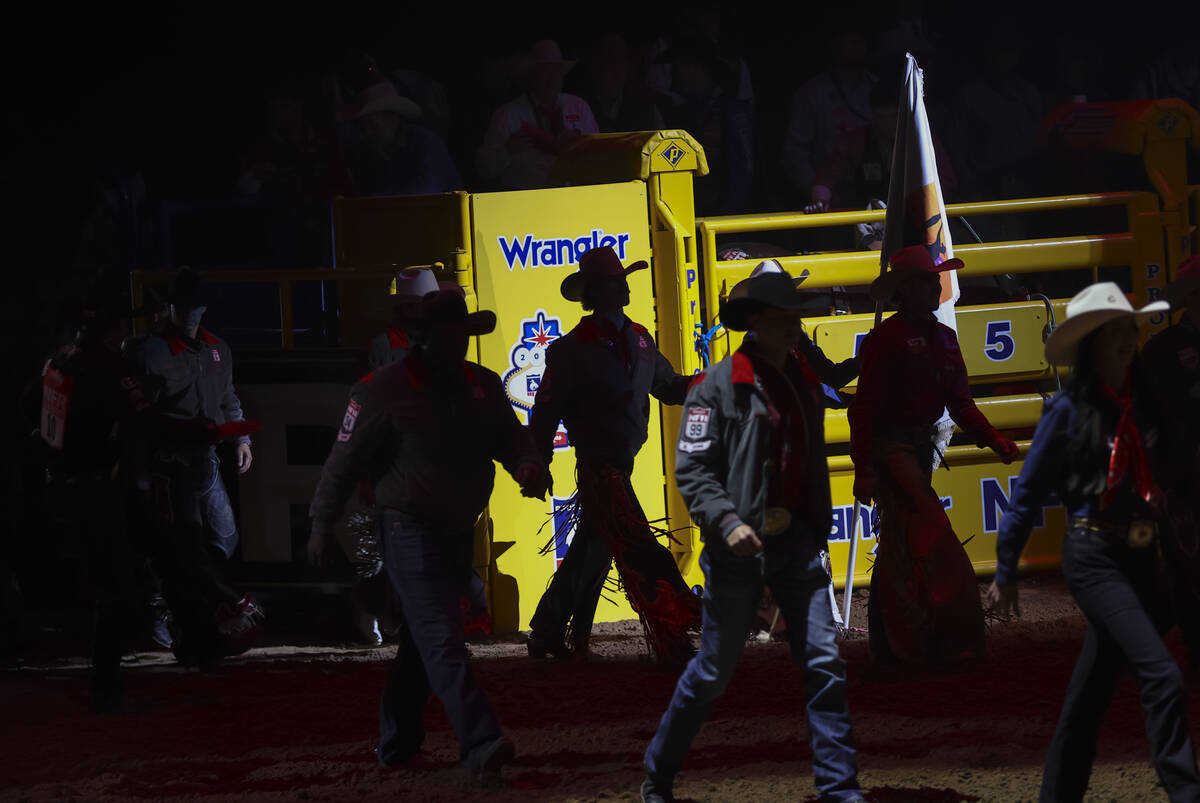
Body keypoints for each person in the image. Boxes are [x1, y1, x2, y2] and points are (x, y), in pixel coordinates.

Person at [307, 289, 550, 781]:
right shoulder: (383, 389)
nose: (458, 342)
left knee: (424, 639)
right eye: (450, 333)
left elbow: (511, 437)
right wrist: (320, 524)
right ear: (424, 338)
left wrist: (527, 464)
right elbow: (342, 462)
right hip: (409, 527)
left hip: (454, 528)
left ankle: (398, 742)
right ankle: (480, 741)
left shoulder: (479, 385)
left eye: (462, 333)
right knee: (441, 636)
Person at [641, 270, 863, 803]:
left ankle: (839, 788)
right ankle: (659, 772)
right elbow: (692, 471)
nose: (796, 324)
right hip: (739, 548)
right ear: (758, 323)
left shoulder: (802, 379)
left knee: (823, 661)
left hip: (794, 543)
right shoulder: (717, 386)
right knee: (714, 671)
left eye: (796, 315)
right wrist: (728, 522)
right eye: (786, 316)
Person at [988, 282, 1200, 802]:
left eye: (1130, 328)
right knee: (1162, 675)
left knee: (1089, 697)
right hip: (1094, 557)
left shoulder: (1142, 401)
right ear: (1093, 344)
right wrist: (1007, 568)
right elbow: (1029, 492)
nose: (1129, 339)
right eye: (1115, 332)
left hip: (1140, 557)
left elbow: (1172, 469)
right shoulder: (1068, 412)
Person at [29, 288, 253, 709]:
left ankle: (196, 643)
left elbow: (35, 416)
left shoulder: (59, 361)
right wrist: (204, 433)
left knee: (162, 557)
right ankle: (110, 686)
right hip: (101, 487)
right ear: (109, 328)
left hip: (77, 485)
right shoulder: (108, 366)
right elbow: (146, 420)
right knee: (125, 580)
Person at [527, 245, 699, 664]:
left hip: (619, 463)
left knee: (598, 544)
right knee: (637, 543)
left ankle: (551, 626)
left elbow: (671, 387)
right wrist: (538, 462)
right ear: (596, 292)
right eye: (615, 281)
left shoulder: (639, 339)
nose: (623, 286)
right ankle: (672, 630)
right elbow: (546, 411)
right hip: (599, 465)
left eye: (622, 280)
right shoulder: (571, 349)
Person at [848, 245, 1017, 665]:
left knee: (901, 547)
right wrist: (866, 468)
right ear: (906, 290)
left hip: (915, 447)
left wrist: (993, 437)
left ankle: (899, 648)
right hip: (894, 449)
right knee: (931, 536)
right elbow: (865, 409)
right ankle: (949, 637)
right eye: (926, 280)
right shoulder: (886, 341)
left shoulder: (941, 339)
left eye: (934, 279)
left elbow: (960, 402)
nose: (934, 286)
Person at [125, 270, 264, 662]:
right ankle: (172, 612)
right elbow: (140, 415)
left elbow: (227, 397)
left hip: (204, 459)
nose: (189, 313)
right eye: (182, 307)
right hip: (168, 461)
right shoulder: (150, 351)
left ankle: (199, 612)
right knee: (181, 543)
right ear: (170, 308)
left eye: (194, 307)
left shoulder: (217, 350)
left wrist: (241, 438)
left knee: (223, 537)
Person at [1136, 255, 1200, 673]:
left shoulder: (1161, 350)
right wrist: (1157, 478)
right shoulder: (1162, 352)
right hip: (1183, 473)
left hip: (1182, 469)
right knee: (1186, 563)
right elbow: (1146, 419)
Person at [476, 40, 599, 190]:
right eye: (544, 71)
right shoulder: (508, 115)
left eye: (556, 71)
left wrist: (580, 143)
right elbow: (484, 168)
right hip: (526, 203)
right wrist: (507, 150)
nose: (551, 77)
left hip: (574, 198)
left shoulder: (579, 107)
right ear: (531, 76)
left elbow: (599, 155)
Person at [348, 81, 462, 196]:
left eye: (372, 124)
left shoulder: (426, 143)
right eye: (365, 125)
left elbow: (426, 192)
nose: (368, 132)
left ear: (393, 117)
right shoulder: (378, 152)